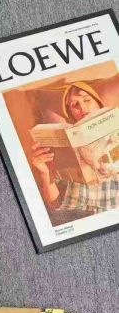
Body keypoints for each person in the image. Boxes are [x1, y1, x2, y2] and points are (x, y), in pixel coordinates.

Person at [30, 81, 119, 223]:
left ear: (98, 103)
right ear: (71, 113)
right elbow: (55, 203)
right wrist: (45, 173)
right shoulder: (65, 148)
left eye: (87, 100)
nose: (82, 107)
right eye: (74, 105)